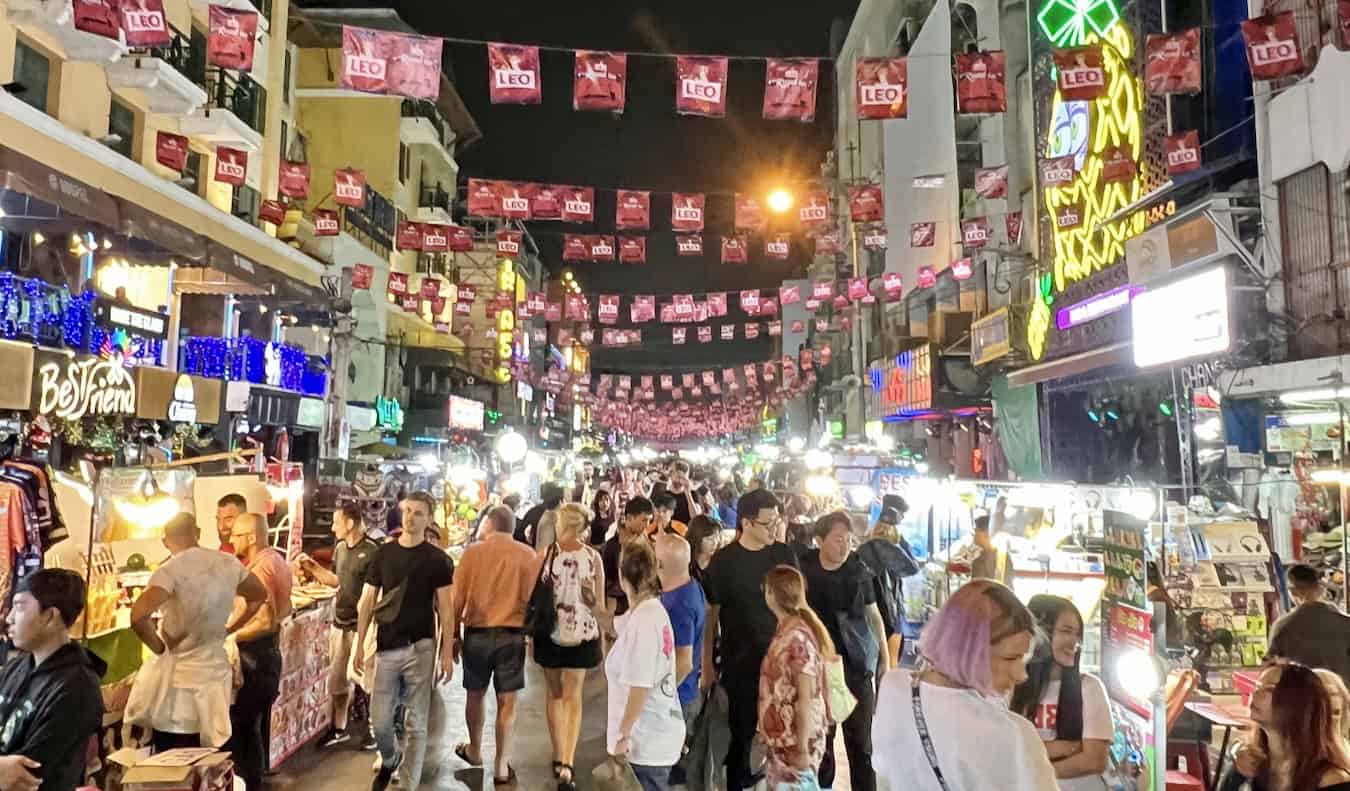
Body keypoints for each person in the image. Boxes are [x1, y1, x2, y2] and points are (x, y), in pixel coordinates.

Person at [873, 580, 1058, 790]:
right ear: (969, 650)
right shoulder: (1014, 735)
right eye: (1010, 658)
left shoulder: (894, 688)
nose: (1021, 674)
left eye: (1023, 659)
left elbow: (884, 774)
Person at [128, 513, 267, 751]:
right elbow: (258, 595)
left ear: (165, 541)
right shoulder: (228, 563)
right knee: (212, 754)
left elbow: (138, 616)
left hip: (179, 680)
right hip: (214, 669)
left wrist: (160, 648)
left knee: (176, 753)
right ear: (199, 533)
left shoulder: (169, 571)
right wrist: (230, 627)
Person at [701, 488, 800, 791]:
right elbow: (711, 617)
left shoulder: (783, 554)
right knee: (740, 732)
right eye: (768, 523)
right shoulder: (724, 562)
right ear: (747, 523)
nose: (774, 528)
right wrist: (707, 665)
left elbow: (799, 604)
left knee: (785, 731)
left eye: (776, 521)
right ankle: (738, 780)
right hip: (740, 660)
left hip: (784, 661)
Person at [357, 491, 455, 791]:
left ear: (429, 519)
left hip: (421, 647)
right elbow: (367, 601)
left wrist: (447, 652)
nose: (410, 517)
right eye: (408, 511)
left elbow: (446, 610)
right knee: (380, 720)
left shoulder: (438, 560)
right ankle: (390, 757)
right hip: (386, 647)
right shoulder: (383, 555)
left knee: (417, 722)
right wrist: (361, 645)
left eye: (418, 513)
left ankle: (409, 784)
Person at [448, 505, 537, 786]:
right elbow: (532, 600)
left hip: (476, 635)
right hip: (512, 635)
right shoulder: (527, 555)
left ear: (490, 524)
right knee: (506, 701)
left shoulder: (472, 553)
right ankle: (501, 764)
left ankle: (475, 750)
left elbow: (456, 598)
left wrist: (452, 636)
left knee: (475, 694)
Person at [799, 512, 887, 791]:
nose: (844, 546)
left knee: (861, 744)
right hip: (817, 668)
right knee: (821, 740)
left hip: (855, 668)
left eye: (849, 540)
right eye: (838, 539)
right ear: (819, 540)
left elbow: (874, 616)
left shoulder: (859, 572)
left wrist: (885, 658)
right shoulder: (804, 568)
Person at [0, 570, 105, 791]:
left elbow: (25, 774)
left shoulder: (78, 687)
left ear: (49, 616)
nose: (8, 618)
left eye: (19, 606)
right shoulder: (16, 667)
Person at [294, 502, 381, 749]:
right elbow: (336, 582)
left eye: (336, 522)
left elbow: (375, 594)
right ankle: (338, 728)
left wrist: (367, 631)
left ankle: (373, 730)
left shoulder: (373, 552)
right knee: (338, 681)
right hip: (339, 625)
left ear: (350, 523)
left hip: (361, 628)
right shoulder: (341, 548)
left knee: (367, 681)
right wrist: (313, 568)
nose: (332, 528)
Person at [533, 503, 604, 791]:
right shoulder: (593, 557)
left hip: (549, 633)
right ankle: (568, 762)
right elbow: (597, 604)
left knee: (554, 694)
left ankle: (557, 751)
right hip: (583, 634)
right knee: (574, 698)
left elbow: (534, 597)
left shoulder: (545, 556)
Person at [1010, 596, 1113, 790]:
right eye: (1066, 631)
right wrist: (1068, 747)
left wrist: (1034, 766)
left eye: (1077, 634)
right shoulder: (1012, 686)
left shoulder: (1089, 687)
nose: (1075, 641)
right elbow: (1007, 749)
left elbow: (1094, 760)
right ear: (1040, 633)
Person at [606, 540, 686, 791]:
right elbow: (614, 625)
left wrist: (623, 735)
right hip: (654, 737)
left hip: (644, 745)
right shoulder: (648, 611)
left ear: (622, 577)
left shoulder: (644, 622)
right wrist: (593, 607)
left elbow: (639, 687)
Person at [226, 513, 292, 791]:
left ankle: (250, 785)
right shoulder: (276, 560)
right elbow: (284, 611)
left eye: (236, 535)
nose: (230, 540)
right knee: (252, 725)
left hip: (256, 659)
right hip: (268, 657)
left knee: (244, 728)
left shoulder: (260, 570)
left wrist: (229, 635)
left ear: (251, 537)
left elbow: (265, 620)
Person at [758, 565, 831, 791]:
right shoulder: (787, 630)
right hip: (785, 740)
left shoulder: (796, 639)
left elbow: (804, 698)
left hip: (795, 742)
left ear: (771, 593)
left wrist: (801, 747)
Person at [1224, 663, 1350, 791]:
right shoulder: (1251, 763)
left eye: (1270, 689)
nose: (1255, 693)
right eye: (1257, 686)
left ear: (1299, 703)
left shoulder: (1330, 779)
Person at [656, 533, 705, 785]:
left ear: (660, 565)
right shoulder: (689, 588)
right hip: (683, 695)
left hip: (678, 700)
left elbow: (684, 662)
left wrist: (656, 694)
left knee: (666, 774)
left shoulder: (681, 605)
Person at [1267, 564, 1350, 685]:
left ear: (1292, 591)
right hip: (1341, 696)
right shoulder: (1345, 623)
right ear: (1319, 587)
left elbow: (1271, 669)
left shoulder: (1283, 626)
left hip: (1302, 697)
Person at [858, 509, 920, 668]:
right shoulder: (891, 550)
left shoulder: (863, 549)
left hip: (869, 609)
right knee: (890, 663)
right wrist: (902, 543)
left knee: (874, 661)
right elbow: (913, 568)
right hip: (889, 610)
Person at [605, 497, 653, 618]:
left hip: (643, 607)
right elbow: (606, 581)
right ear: (629, 518)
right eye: (644, 520)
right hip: (619, 610)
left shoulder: (646, 541)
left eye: (649, 520)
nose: (647, 525)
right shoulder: (613, 546)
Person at [969, 515, 1012, 585]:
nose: (973, 535)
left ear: (986, 533)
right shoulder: (1003, 557)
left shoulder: (1001, 560)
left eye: (976, 530)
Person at [684, 515, 722, 583]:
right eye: (710, 539)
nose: (715, 543)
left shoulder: (720, 561)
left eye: (717, 537)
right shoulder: (685, 562)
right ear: (697, 539)